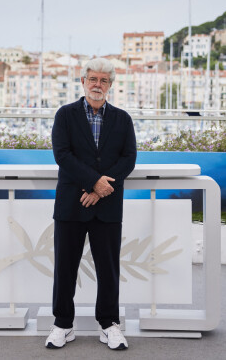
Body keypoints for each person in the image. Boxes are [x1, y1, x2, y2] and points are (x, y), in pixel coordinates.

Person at [45, 57, 137, 350]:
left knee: (108, 269)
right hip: (72, 204)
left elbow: (128, 159)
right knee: (65, 268)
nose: (98, 85)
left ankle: (109, 325)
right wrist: (92, 183)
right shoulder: (65, 115)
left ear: (111, 85)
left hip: (107, 206)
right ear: (83, 81)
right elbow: (62, 155)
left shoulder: (122, 119)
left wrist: (99, 190)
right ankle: (62, 325)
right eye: (93, 79)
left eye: (104, 80)